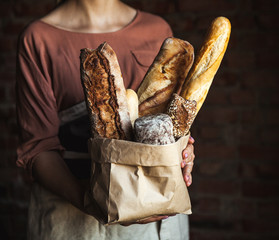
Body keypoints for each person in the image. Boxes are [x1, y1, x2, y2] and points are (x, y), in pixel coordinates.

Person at [15, 0, 195, 239]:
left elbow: (171, 124)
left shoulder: (157, 30)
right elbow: (38, 149)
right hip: (72, 215)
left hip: (158, 212)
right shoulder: (39, 38)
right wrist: (90, 200)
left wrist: (182, 152)